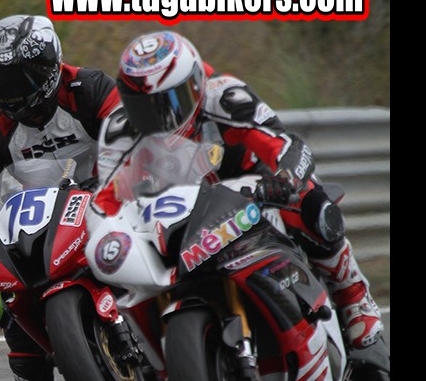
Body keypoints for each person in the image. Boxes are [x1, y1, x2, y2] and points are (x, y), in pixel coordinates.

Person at [97, 30, 384, 351]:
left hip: (251, 188)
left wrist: (286, 178)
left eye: (169, 104)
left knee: (311, 199)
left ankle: (353, 295)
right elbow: (108, 198)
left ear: (194, 85)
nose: (159, 119)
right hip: (178, 214)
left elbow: (284, 145)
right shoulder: (120, 129)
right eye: (144, 108)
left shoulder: (225, 96)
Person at [0, 14, 121, 381]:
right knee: (4, 290)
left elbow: (132, 138)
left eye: (22, 78)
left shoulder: (90, 88)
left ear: (49, 66)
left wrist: (114, 186)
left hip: (110, 195)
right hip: (41, 218)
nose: (12, 92)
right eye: (1, 81)